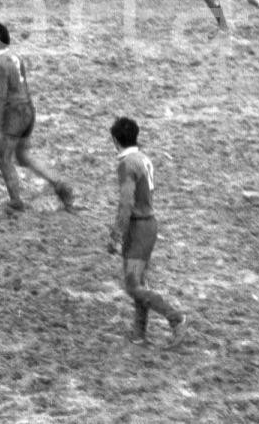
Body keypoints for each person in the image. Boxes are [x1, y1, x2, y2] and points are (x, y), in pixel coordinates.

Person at [107, 116, 188, 348]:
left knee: (133, 285)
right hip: (147, 227)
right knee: (138, 280)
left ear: (114, 140)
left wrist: (115, 236)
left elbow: (125, 204)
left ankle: (176, 318)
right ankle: (139, 333)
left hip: (138, 230)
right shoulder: (143, 158)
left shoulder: (126, 164)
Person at [0, 21, 74, 214]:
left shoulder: (0, 65)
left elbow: (0, 100)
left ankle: (16, 201)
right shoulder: (16, 57)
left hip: (15, 115)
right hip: (28, 110)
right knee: (23, 155)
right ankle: (59, 184)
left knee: (3, 160)